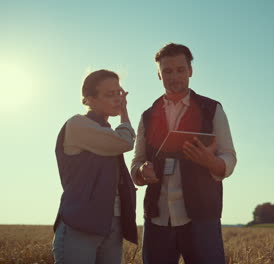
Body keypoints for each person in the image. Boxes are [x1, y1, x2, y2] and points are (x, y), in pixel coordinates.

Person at [131, 43, 237, 264]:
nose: (174, 76)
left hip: (202, 218)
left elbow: (229, 158)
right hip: (157, 219)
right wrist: (141, 171)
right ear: (159, 75)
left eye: (180, 69)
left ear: (190, 71)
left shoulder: (212, 109)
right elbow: (136, 164)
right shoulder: (147, 116)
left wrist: (210, 161)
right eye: (167, 71)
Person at [52, 69, 138, 264]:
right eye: (109, 94)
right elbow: (126, 141)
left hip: (113, 223)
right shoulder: (78, 125)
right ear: (89, 99)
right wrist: (124, 113)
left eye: (119, 92)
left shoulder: (106, 132)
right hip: (80, 226)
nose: (117, 98)